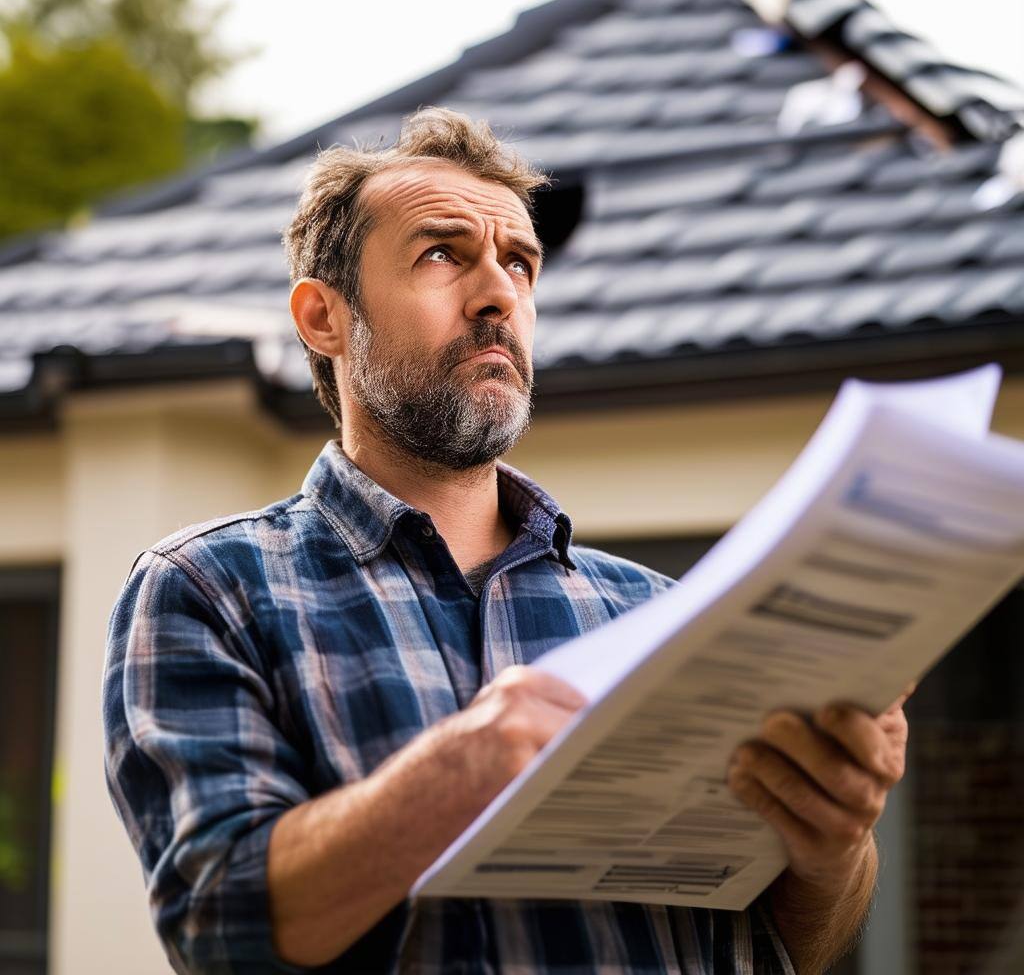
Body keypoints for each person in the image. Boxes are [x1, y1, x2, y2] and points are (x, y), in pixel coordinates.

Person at [102, 108, 910, 975]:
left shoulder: (665, 615)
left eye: (519, 264)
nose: (498, 295)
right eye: (443, 253)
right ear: (323, 318)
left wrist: (835, 851)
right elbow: (216, 922)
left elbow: (788, 948)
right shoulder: (207, 589)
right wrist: (454, 775)